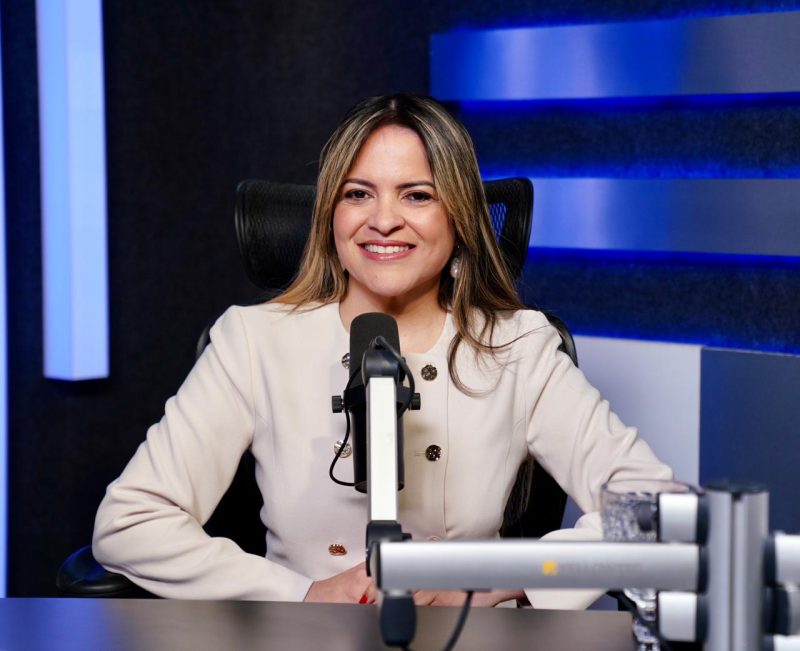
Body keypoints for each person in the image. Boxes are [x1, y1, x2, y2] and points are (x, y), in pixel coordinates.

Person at [92, 93, 671, 609]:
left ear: (460, 218)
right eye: (358, 194)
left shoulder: (517, 345)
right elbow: (130, 523)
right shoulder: (253, 341)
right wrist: (301, 593)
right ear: (331, 216)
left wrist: (498, 576)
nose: (384, 220)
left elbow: (658, 510)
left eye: (417, 195)